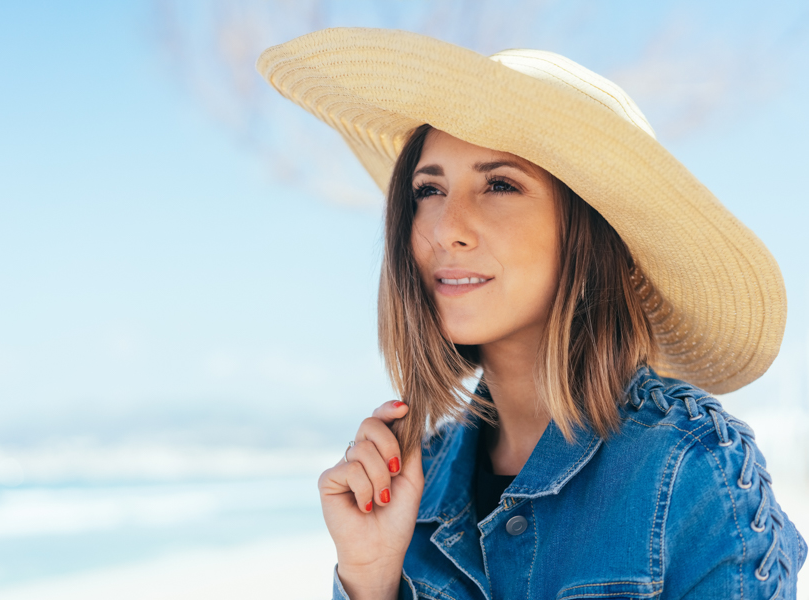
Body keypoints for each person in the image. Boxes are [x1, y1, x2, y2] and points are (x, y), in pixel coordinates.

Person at [257, 29, 807, 599]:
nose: (446, 228)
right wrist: (370, 579)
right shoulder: (410, 487)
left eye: (498, 184)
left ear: (586, 232)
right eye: (428, 189)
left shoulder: (694, 469)